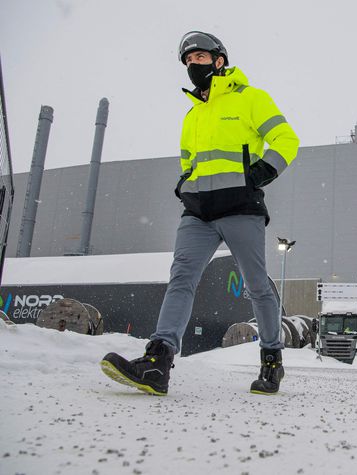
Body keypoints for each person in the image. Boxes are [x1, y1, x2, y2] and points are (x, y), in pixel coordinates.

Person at [100, 31, 299, 396]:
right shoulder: (192, 115)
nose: (193, 65)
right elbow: (189, 161)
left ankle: (272, 360)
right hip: (198, 212)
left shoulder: (251, 99)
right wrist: (184, 185)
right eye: (188, 61)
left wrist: (259, 173)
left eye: (200, 58)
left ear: (219, 61)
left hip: (240, 207)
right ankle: (158, 362)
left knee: (257, 286)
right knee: (181, 279)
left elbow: (287, 140)